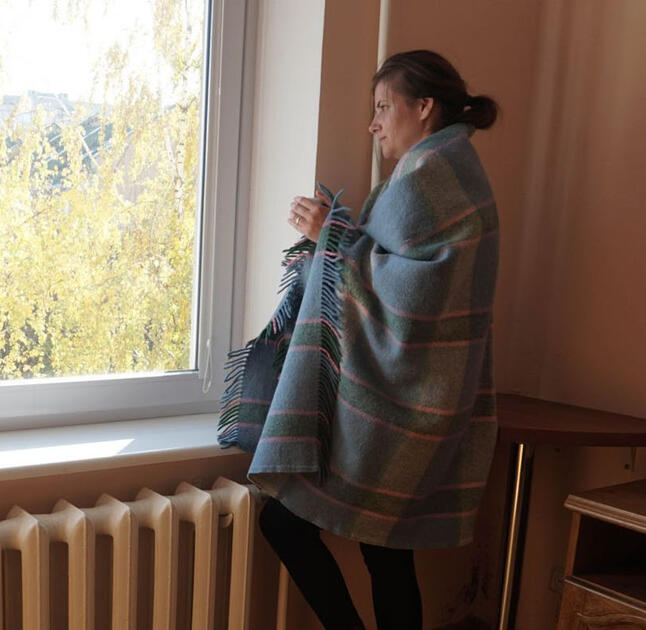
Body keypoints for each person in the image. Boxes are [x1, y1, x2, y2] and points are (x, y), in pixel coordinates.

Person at [217, 50, 500, 630]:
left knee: (294, 526)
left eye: (383, 107)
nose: (373, 124)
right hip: (412, 396)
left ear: (424, 107)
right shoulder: (445, 169)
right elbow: (397, 271)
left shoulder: (432, 175)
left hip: (399, 404)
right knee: (385, 552)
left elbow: (415, 294)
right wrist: (336, 234)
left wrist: (332, 233)